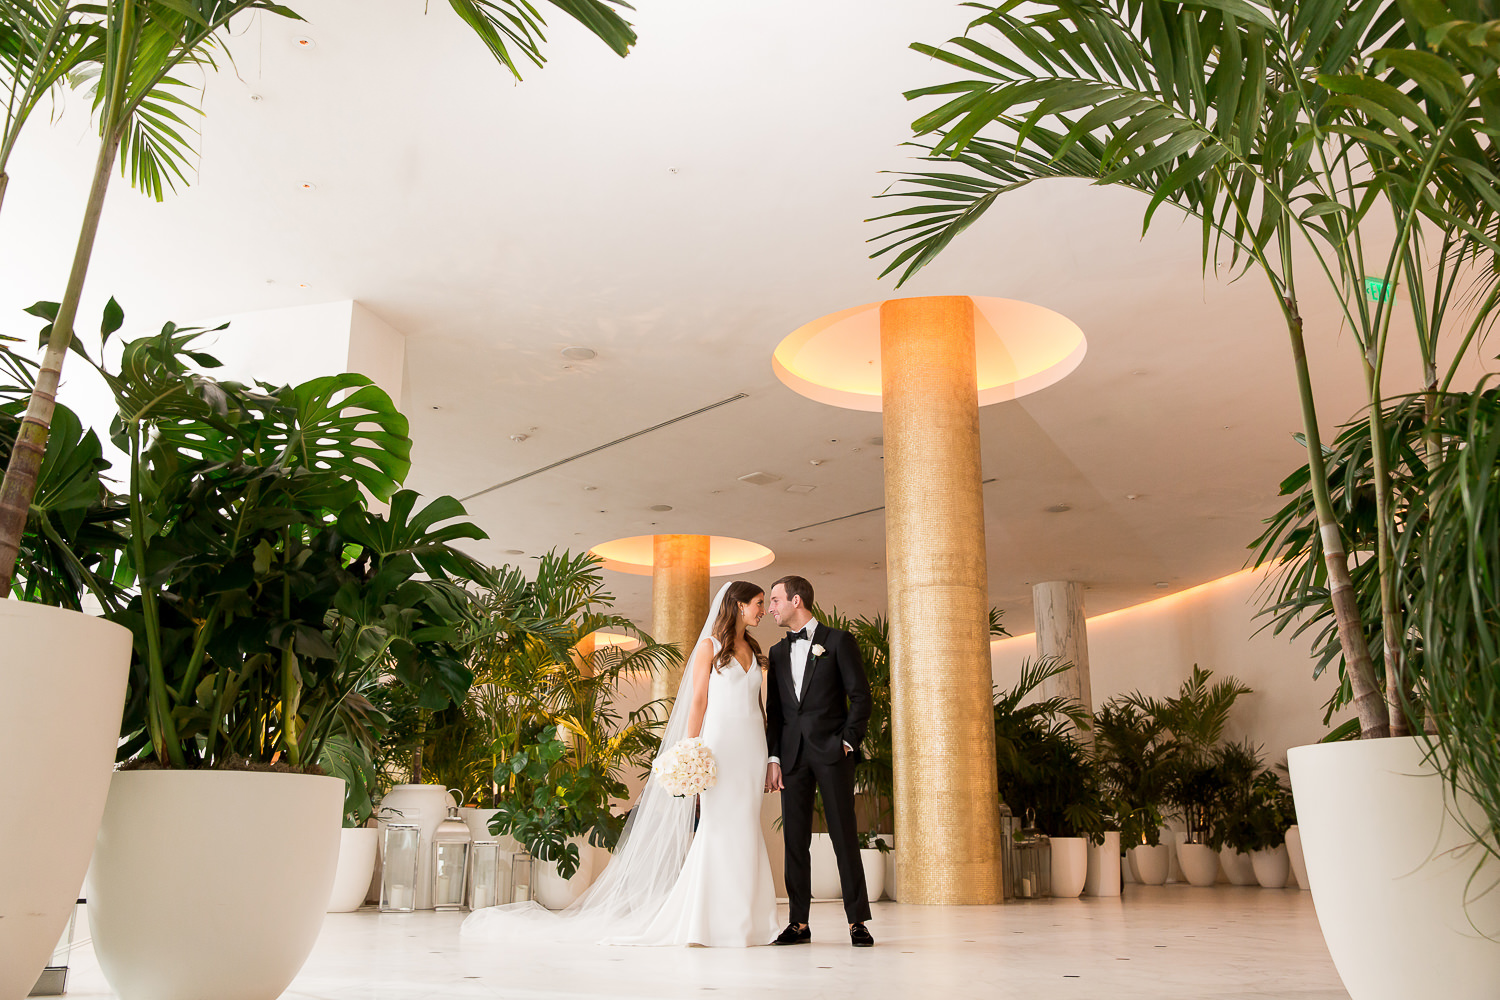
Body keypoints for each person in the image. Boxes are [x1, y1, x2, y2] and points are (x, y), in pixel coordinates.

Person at [461, 580, 778, 948]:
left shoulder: (753, 648)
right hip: (720, 747)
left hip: (751, 748)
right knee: (719, 828)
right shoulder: (710, 646)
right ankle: (710, 923)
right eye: (757, 602)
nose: (762, 610)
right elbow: (698, 702)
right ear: (738, 604)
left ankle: (750, 921)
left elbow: (758, 705)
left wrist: (768, 751)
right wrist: (692, 750)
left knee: (746, 827)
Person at [765, 575, 875, 948]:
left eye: (776, 600)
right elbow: (775, 712)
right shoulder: (777, 653)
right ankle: (799, 923)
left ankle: (857, 920)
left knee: (844, 836)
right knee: (795, 840)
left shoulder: (839, 641)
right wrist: (775, 757)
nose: (770, 608)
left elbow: (860, 696)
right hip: (792, 756)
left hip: (832, 752)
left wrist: (848, 741)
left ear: (797, 600)